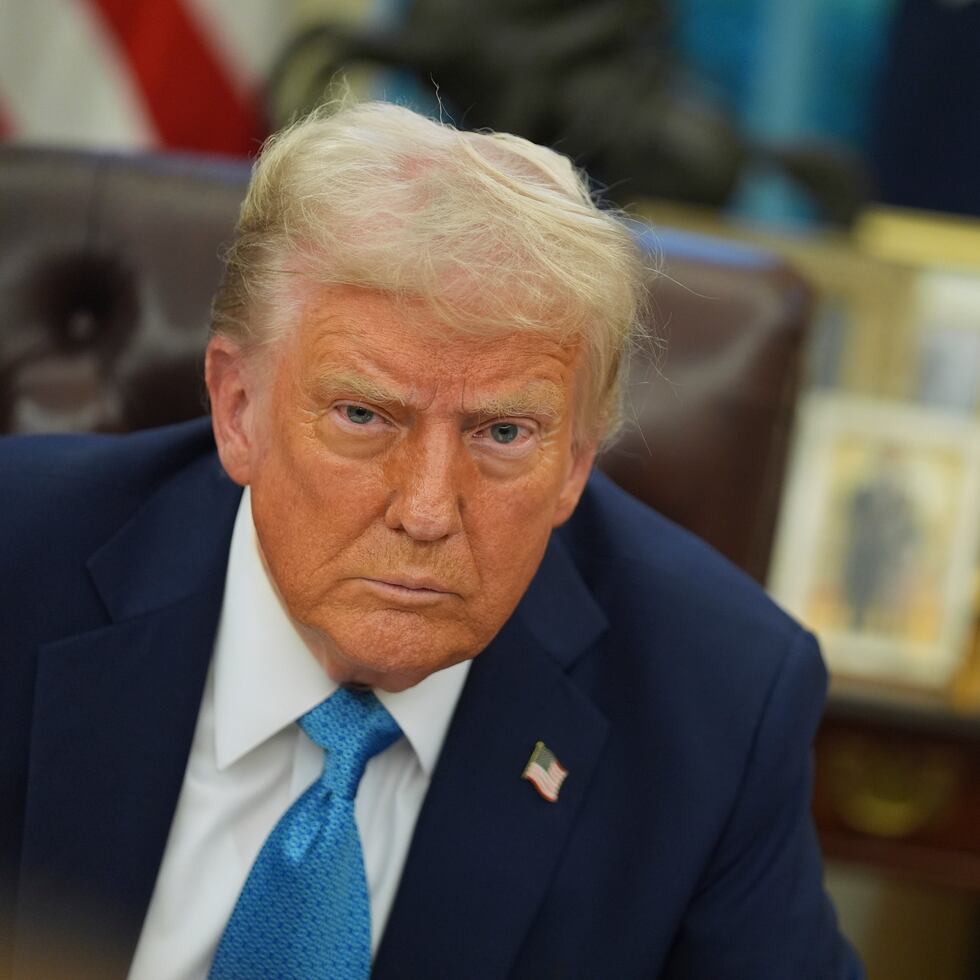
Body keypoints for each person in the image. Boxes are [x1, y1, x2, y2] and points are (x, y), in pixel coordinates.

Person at [0, 101, 861, 979]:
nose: (426, 509)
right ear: (239, 409)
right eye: (364, 415)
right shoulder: (18, 557)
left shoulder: (716, 703)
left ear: (573, 462)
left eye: (502, 434)